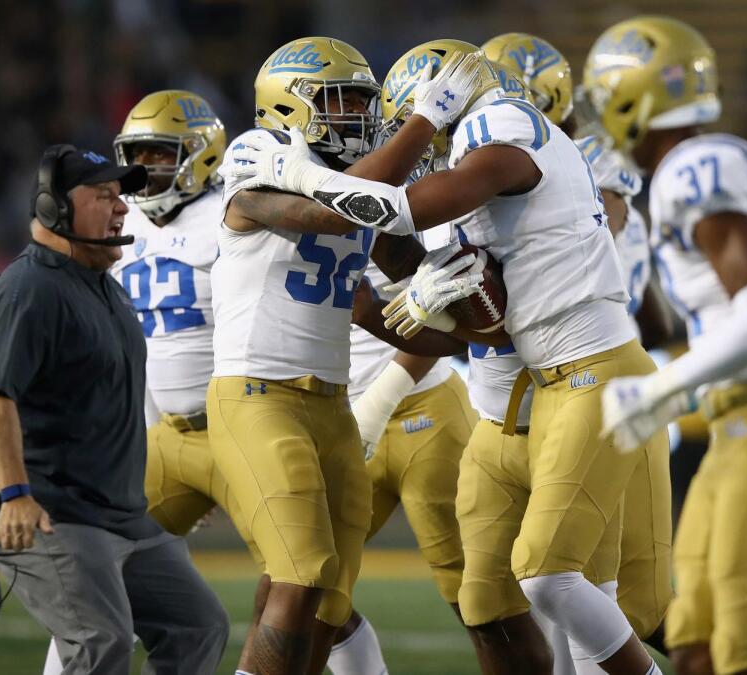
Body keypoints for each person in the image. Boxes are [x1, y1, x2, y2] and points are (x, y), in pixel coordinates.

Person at [232, 35, 668, 675]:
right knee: (489, 598)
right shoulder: (468, 174)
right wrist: (417, 303)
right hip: (521, 397)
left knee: (575, 586)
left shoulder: (502, 124)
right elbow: (484, 332)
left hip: (587, 372)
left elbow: (402, 208)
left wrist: (316, 174)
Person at [208, 36, 490, 675]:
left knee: (329, 598)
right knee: (300, 572)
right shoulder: (257, 161)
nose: (356, 117)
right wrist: (425, 120)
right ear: (288, 107)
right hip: (257, 395)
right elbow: (339, 214)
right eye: (339, 102)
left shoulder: (356, 181)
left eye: (363, 103)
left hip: (332, 404)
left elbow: (387, 292)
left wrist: (472, 329)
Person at [584, 17, 747, 675]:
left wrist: (660, 388)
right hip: (746, 418)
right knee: (693, 649)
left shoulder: (693, 168)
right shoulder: (726, 160)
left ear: (632, 98)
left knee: (745, 660)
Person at [0, 145, 228, 674]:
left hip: (122, 513)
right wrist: (14, 495)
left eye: (121, 196)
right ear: (53, 208)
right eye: (105, 196)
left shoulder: (104, 286)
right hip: (49, 507)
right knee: (100, 641)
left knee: (198, 625)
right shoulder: (29, 289)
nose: (123, 208)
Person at [482, 31, 675, 668]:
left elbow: (598, 258)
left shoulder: (578, 159)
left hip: (595, 378)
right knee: (562, 586)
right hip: (555, 392)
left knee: (626, 600)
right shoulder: (526, 158)